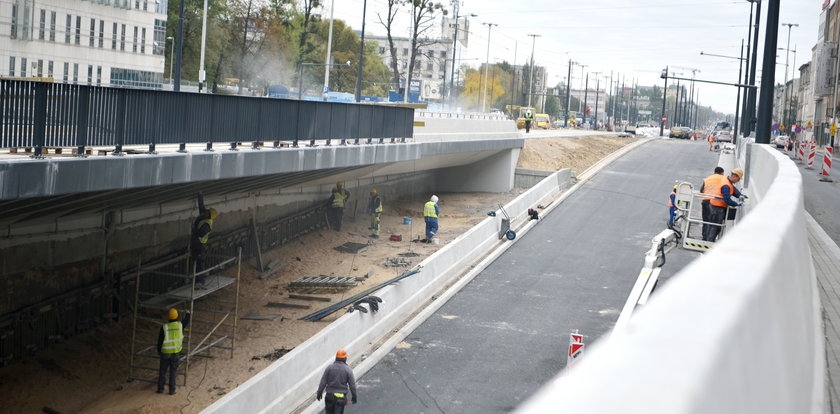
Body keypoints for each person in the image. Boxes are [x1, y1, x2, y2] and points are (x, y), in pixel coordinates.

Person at [703, 168, 745, 242]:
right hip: (717, 208)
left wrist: (740, 195)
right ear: (734, 176)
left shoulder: (726, 181)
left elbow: (733, 190)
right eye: (738, 179)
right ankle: (709, 243)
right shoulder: (726, 185)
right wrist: (736, 204)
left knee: (712, 225)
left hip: (714, 206)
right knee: (716, 226)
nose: (738, 181)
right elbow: (727, 199)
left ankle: (707, 241)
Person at [157, 308, 190, 395]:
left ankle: (160, 389)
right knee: (173, 372)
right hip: (175, 353)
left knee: (162, 371)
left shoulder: (164, 327)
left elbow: (160, 341)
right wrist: (188, 313)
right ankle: (172, 390)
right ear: (177, 316)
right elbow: (186, 321)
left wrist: (159, 351)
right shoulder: (180, 325)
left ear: (168, 317)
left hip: (165, 353)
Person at [316, 349, 357, 414]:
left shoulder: (329, 368)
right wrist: (354, 396)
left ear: (336, 358)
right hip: (340, 399)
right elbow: (352, 385)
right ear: (345, 358)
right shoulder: (348, 370)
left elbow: (323, 382)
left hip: (329, 397)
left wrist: (319, 393)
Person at [191, 194, 217, 285]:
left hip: (199, 244)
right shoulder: (204, 215)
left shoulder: (207, 224)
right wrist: (200, 195)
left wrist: (194, 230)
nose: (205, 211)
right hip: (196, 242)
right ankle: (197, 280)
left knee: (199, 262)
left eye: (207, 212)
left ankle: (200, 281)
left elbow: (201, 233)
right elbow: (201, 207)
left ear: (209, 215)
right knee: (195, 260)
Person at [699, 167, 725, 241]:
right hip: (716, 203)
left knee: (706, 220)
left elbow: (702, 190)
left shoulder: (707, 179)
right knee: (715, 222)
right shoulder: (724, 179)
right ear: (722, 173)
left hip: (705, 201)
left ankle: (704, 238)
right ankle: (710, 240)